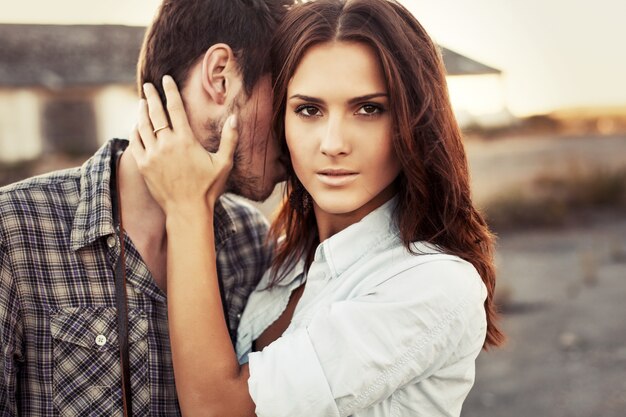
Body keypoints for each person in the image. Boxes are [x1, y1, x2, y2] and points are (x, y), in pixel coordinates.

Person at [132, 0, 505, 416]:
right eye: (309, 109)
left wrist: (186, 208)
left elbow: (218, 410)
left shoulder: (432, 282)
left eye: (369, 109)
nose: (332, 143)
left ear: (412, 120)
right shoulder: (283, 256)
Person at [0, 0, 292, 415]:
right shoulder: (14, 230)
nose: (298, 132)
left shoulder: (250, 243)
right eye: (288, 101)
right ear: (221, 77)